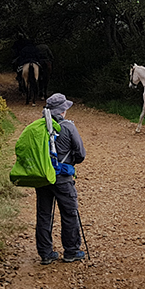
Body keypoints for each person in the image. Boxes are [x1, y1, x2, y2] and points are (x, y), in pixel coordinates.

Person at [36, 93, 87, 265]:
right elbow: (81, 155)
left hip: (43, 178)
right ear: (62, 110)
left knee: (44, 215)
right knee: (69, 213)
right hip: (63, 178)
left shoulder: (38, 127)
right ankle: (71, 251)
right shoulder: (68, 127)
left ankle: (45, 254)